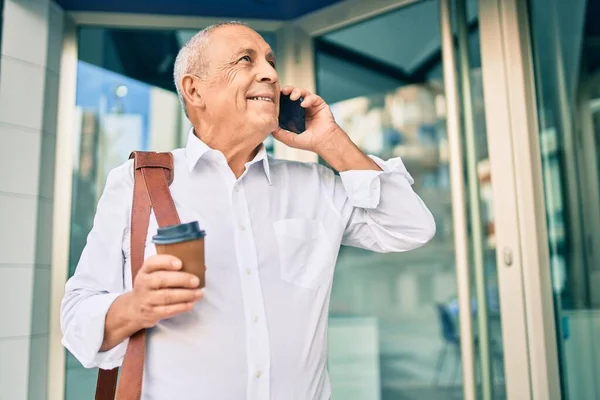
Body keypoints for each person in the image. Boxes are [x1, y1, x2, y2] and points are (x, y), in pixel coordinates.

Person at [60, 22, 436, 400]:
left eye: (272, 63)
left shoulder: (315, 186)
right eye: (246, 60)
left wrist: (331, 142)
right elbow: (76, 319)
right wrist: (136, 307)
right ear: (194, 90)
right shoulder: (137, 182)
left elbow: (410, 228)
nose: (271, 74)